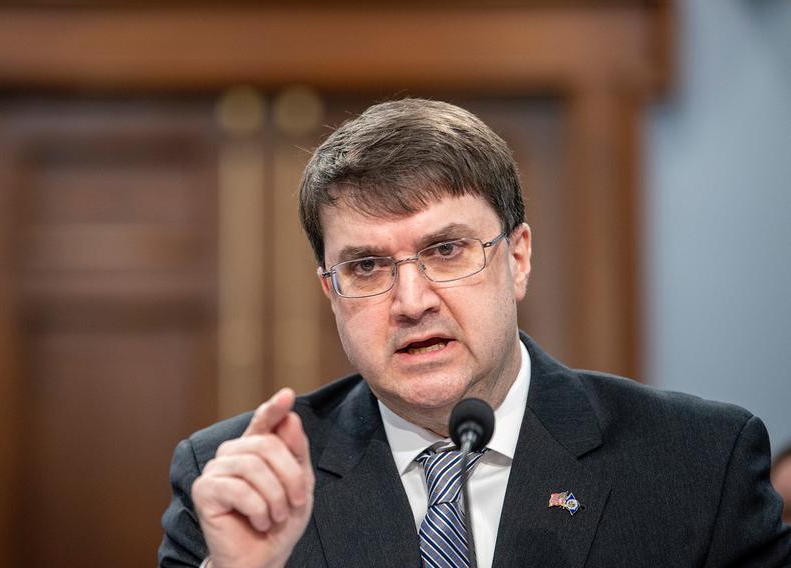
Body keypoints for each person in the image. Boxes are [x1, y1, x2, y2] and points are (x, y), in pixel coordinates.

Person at [159, 99, 791, 567]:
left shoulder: (699, 464)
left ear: (516, 259)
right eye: (367, 266)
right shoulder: (237, 482)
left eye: (446, 250)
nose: (411, 301)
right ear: (331, 291)